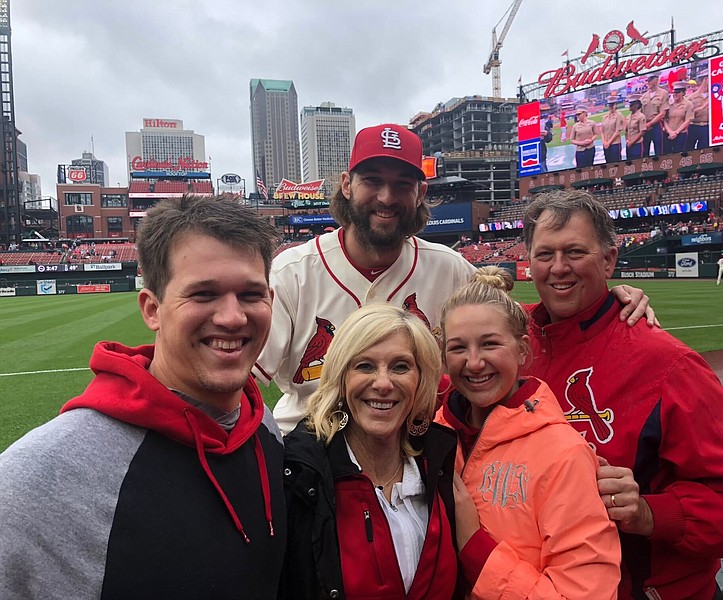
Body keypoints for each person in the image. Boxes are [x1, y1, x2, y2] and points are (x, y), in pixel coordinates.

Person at [255, 123, 654, 434]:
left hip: (419, 453)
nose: (386, 197)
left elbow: (514, 331)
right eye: (372, 180)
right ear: (347, 185)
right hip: (313, 452)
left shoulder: (450, 269)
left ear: (421, 192)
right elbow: (241, 382)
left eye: (402, 184)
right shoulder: (292, 274)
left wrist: (605, 300)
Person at [0, 195, 286, 598]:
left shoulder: (265, 428)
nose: (233, 317)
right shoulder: (34, 478)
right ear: (152, 309)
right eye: (203, 294)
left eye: (251, 295)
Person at [520, 190, 723, 599]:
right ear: (528, 262)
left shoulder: (667, 364)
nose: (558, 268)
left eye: (575, 251)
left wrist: (648, 513)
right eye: (544, 254)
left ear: (609, 259)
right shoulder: (507, 345)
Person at [436, 267, 621, 599]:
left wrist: (474, 546)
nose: (474, 362)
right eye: (458, 348)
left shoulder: (564, 454)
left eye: (490, 344)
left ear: (522, 350)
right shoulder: (431, 433)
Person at [281, 303, 460, 599]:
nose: (383, 383)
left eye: (400, 367)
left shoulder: (441, 466)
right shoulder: (298, 478)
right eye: (364, 366)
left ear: (421, 379)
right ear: (341, 377)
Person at [641, 74, 669, 156]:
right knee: (645, 150)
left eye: (650, 79)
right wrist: (645, 124)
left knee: (659, 149)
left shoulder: (663, 94)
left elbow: (662, 113)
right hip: (645, 125)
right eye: (648, 80)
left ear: (656, 80)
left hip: (657, 124)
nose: (648, 82)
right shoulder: (643, 96)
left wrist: (650, 123)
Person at [663, 82, 694, 155]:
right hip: (668, 133)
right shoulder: (669, 104)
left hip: (681, 134)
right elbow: (664, 119)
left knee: (679, 155)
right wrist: (670, 132)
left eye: (677, 92)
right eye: (674, 92)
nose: (675, 94)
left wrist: (676, 132)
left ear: (683, 93)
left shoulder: (688, 104)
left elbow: (687, 120)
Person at [686, 76, 710, 150]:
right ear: (705, 79)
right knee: (688, 148)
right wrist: (701, 108)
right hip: (693, 126)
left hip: (707, 126)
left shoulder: (714, 96)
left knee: (704, 150)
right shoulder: (691, 97)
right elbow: (686, 113)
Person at [600, 98, 625, 163]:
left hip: (615, 144)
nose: (610, 107)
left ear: (615, 105)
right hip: (606, 144)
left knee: (616, 163)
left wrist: (609, 143)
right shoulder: (605, 117)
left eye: (612, 105)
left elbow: (617, 131)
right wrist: (604, 142)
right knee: (608, 163)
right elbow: (602, 131)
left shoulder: (619, 116)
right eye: (609, 105)